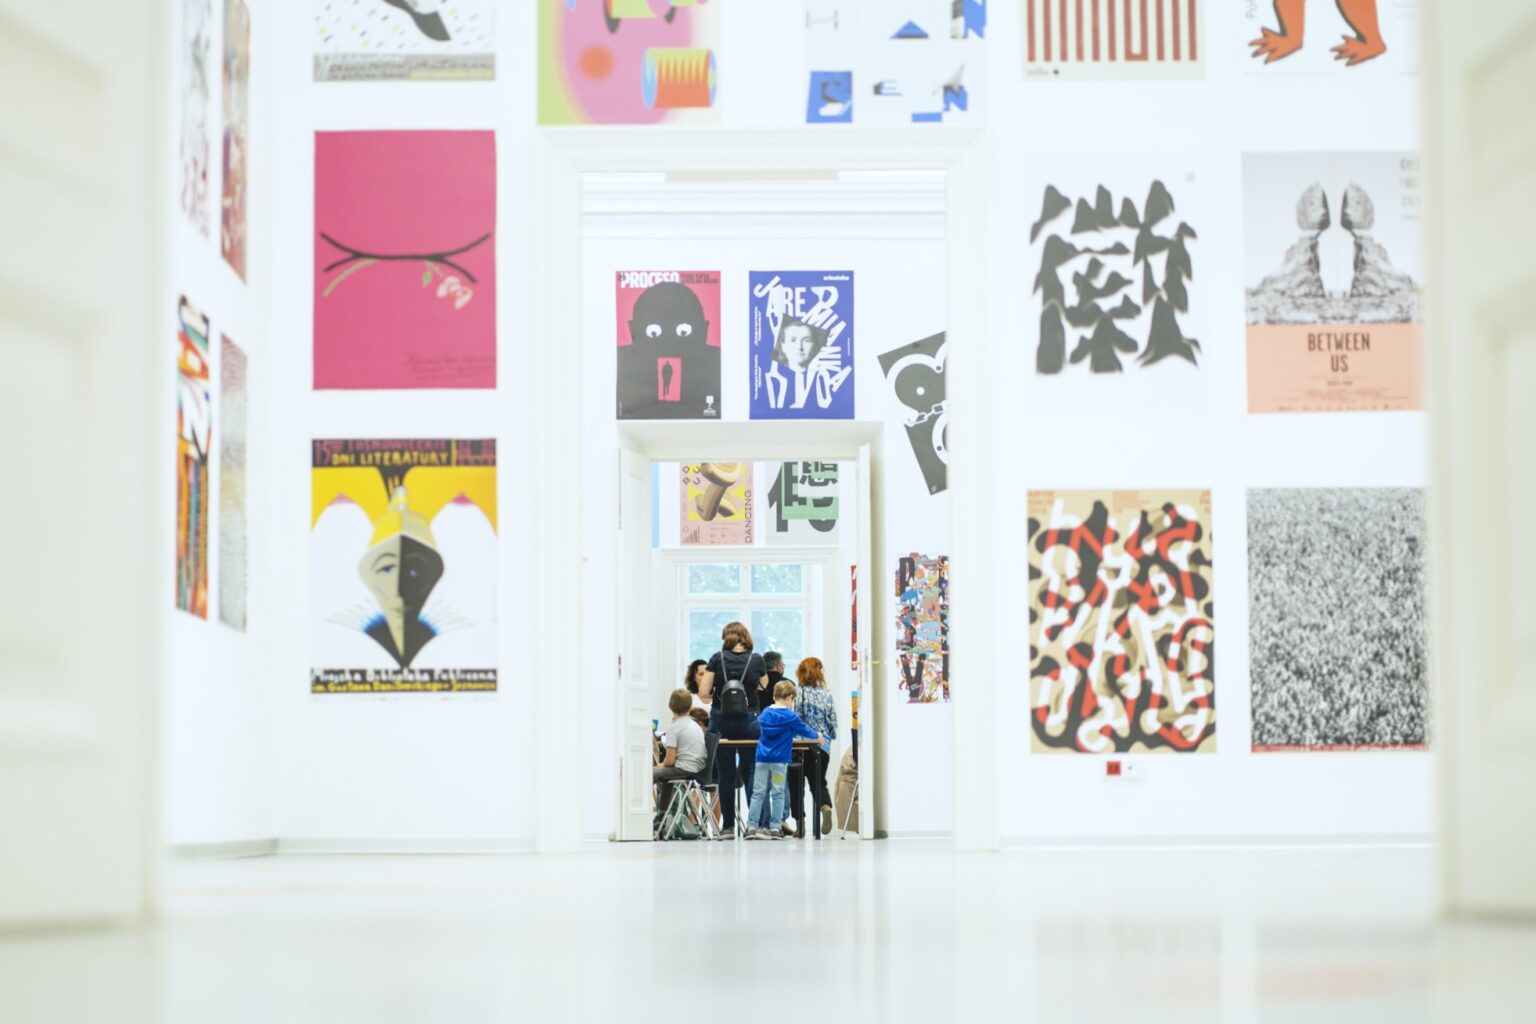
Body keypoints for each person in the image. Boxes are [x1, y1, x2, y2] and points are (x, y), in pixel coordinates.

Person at [704, 622, 766, 837]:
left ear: (726, 637)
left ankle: (728, 826)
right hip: (749, 721)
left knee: (725, 774)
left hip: (721, 721)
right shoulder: (756, 659)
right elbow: (764, 686)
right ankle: (754, 825)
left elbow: (704, 692)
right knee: (750, 771)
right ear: (745, 637)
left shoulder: (716, 658)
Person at [745, 681, 821, 840]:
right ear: (790, 697)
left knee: (758, 793)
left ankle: (752, 826)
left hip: (762, 759)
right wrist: (817, 736)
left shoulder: (765, 713)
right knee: (778, 793)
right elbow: (804, 730)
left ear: (774, 696)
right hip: (779, 761)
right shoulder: (790, 716)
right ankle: (775, 827)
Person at [793, 657, 838, 836]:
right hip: (822, 745)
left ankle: (800, 824)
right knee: (818, 781)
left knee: (796, 783)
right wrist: (829, 737)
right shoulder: (826, 694)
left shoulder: (797, 692)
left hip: (801, 744)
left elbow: (794, 718)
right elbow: (832, 721)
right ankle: (824, 806)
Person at [653, 688, 707, 820]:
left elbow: (670, 761)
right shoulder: (695, 725)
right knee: (665, 777)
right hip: (701, 770)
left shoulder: (674, 728)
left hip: (684, 769)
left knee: (651, 774)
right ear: (690, 706)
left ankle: (659, 815)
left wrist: (660, 766)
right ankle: (662, 816)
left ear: (670, 706)